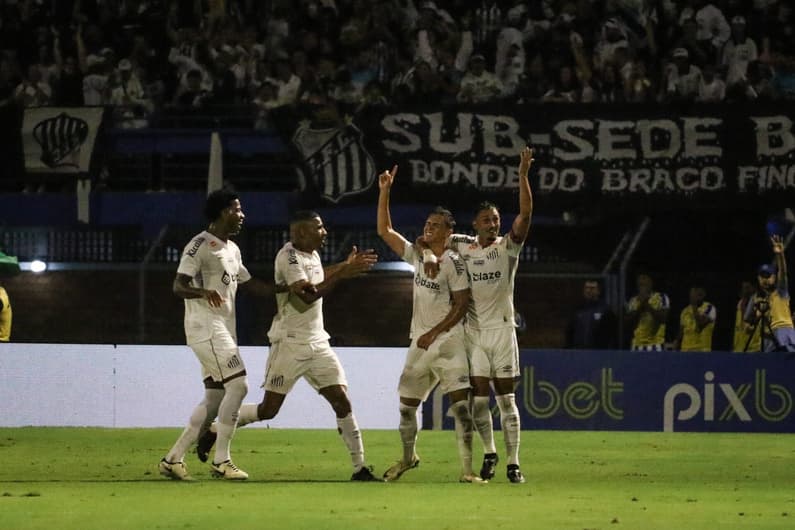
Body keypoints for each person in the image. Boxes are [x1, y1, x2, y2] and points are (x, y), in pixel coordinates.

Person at [196, 210, 382, 481]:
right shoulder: (288, 257)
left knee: (341, 400)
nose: (325, 231)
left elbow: (317, 277)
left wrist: (343, 266)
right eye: (319, 227)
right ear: (301, 233)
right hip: (289, 344)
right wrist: (343, 272)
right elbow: (308, 295)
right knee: (269, 410)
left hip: (318, 342)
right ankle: (214, 428)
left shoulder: (313, 254)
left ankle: (360, 467)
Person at [426, 146, 534, 484]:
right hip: (474, 332)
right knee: (478, 403)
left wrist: (522, 177)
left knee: (507, 400)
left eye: (496, 220)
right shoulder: (462, 244)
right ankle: (490, 452)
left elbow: (525, 217)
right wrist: (428, 254)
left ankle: (514, 462)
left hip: (502, 332)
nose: (493, 224)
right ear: (475, 224)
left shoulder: (507, 247)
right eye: (487, 220)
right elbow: (431, 238)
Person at [376, 166, 481, 483]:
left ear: (449, 232)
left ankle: (467, 471)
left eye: (436, 225)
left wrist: (434, 332)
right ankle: (409, 457)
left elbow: (462, 304)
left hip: (449, 343)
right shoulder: (418, 256)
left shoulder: (454, 263)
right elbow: (385, 231)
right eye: (427, 224)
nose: (429, 228)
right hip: (418, 343)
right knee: (407, 407)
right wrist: (385, 191)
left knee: (462, 409)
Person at [159, 189, 256, 481]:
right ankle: (222, 461)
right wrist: (203, 291)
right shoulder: (199, 245)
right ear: (222, 212)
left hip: (222, 330)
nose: (242, 215)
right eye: (237, 209)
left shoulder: (233, 249)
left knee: (215, 397)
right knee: (238, 386)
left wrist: (289, 290)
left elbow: (251, 284)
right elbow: (178, 285)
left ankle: (172, 459)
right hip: (206, 328)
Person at [744, 235, 795, 352]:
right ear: (758, 278)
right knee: (770, 367)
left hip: (784, 330)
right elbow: (747, 323)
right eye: (762, 276)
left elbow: (783, 272)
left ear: (774, 277)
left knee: (789, 366)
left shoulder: (781, 291)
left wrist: (780, 255)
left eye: (768, 276)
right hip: (767, 336)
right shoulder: (757, 298)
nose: (765, 280)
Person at [565, 279, 618, 350]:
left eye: (592, 288)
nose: (588, 290)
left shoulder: (606, 310)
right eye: (586, 288)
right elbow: (570, 332)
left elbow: (612, 336)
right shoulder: (578, 310)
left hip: (598, 354)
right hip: (578, 353)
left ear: (598, 291)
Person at [625, 274, 670, 351]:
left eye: (644, 278)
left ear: (651, 282)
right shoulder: (633, 301)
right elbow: (629, 324)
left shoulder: (661, 297)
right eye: (640, 281)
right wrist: (640, 306)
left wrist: (647, 304)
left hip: (656, 346)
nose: (641, 282)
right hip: (636, 347)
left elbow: (663, 319)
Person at [675, 286, 717, 352]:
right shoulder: (685, 311)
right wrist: (676, 345)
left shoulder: (709, 308)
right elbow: (681, 333)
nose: (695, 296)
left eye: (698, 294)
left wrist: (694, 305)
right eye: (692, 293)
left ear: (703, 295)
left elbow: (700, 324)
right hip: (685, 351)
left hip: (701, 351)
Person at [733, 280, 761, 352]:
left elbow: (758, 320)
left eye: (747, 287)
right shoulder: (740, 303)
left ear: (754, 288)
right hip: (739, 347)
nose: (745, 290)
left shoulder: (758, 302)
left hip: (754, 346)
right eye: (743, 288)